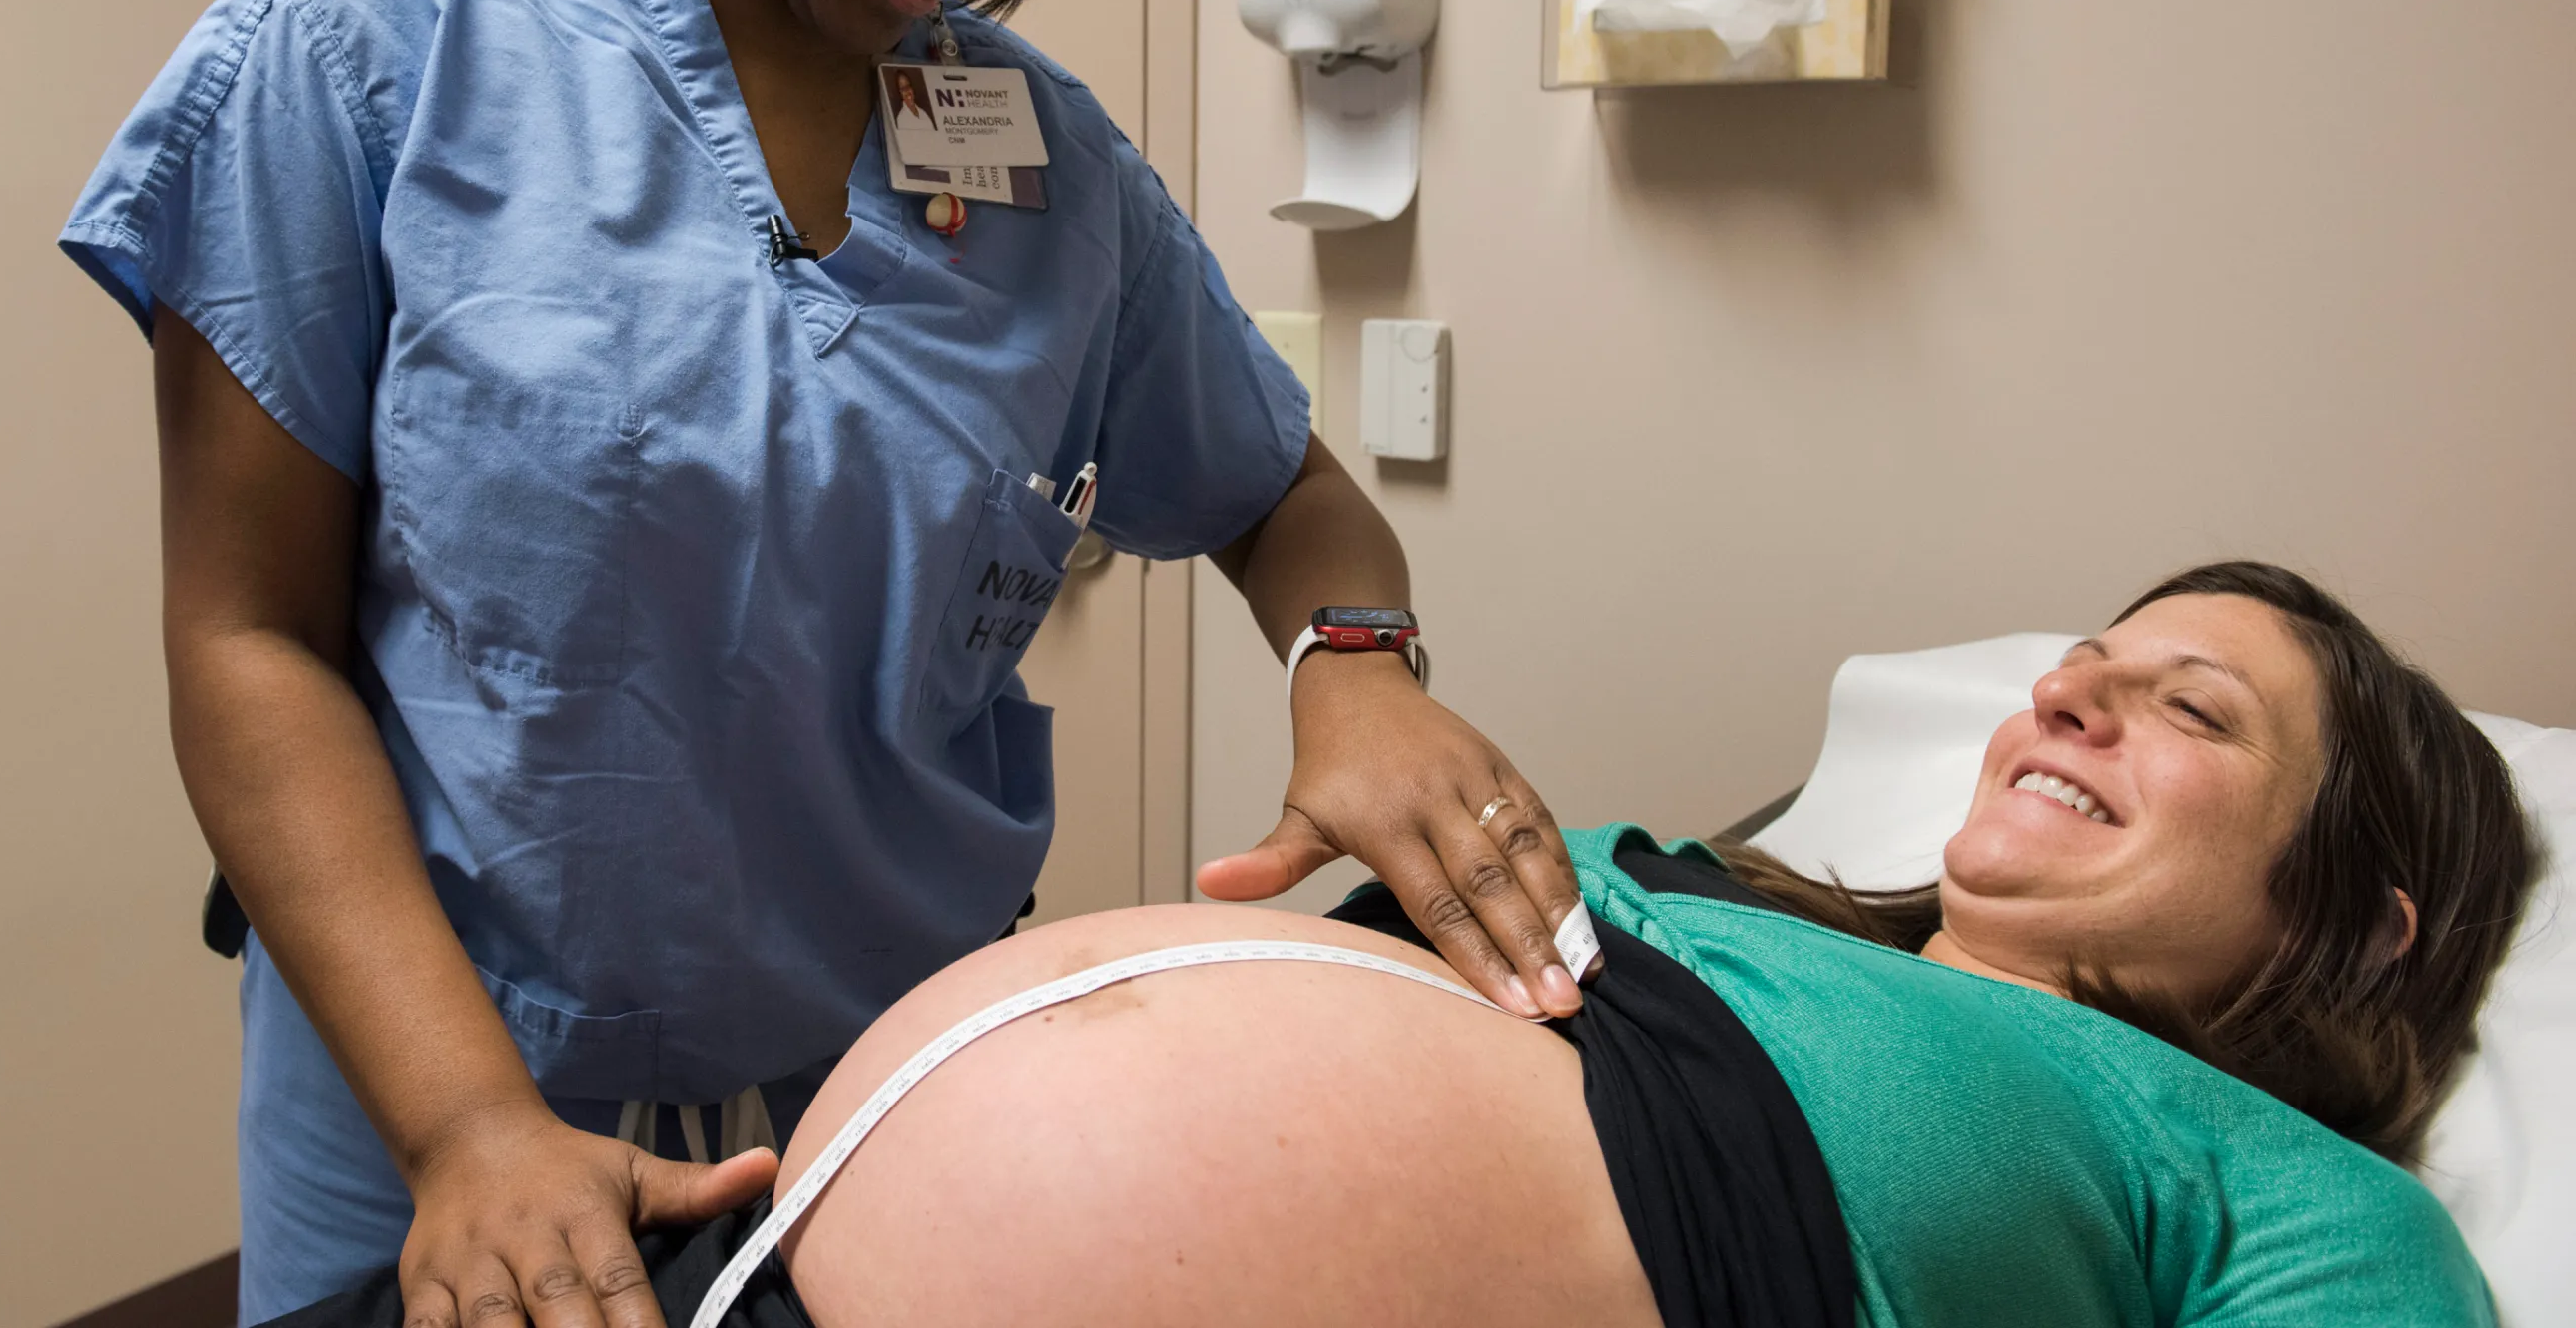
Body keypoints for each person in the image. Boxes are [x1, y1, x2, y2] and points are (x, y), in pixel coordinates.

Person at [59, 0, 1594, 1322]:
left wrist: (1358, 669)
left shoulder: (1046, 162)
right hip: (440, 1094)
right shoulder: (375, 43)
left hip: (890, 1092)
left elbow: (1289, 495)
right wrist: (472, 1127)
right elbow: (247, 638)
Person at [269, 561, 2535, 1328]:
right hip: (738, 1256)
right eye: (2078, 664)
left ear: (2360, 906)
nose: (2068, 697)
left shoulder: (2281, 1188)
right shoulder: (1692, 878)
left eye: (2186, 709)